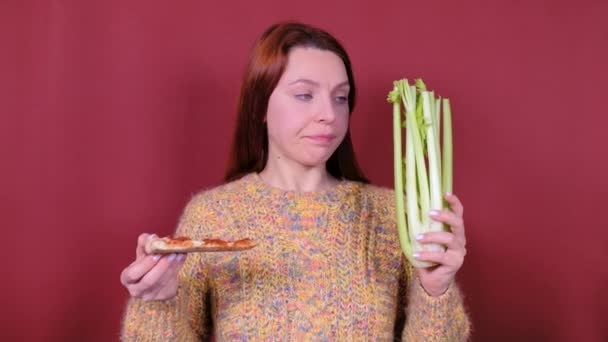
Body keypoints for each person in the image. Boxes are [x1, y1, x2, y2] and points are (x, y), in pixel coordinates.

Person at [120, 22, 470, 341]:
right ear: (260, 106)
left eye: (340, 97)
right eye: (305, 95)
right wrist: (157, 301)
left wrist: (435, 289)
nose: (329, 115)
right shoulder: (215, 214)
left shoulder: (391, 217)